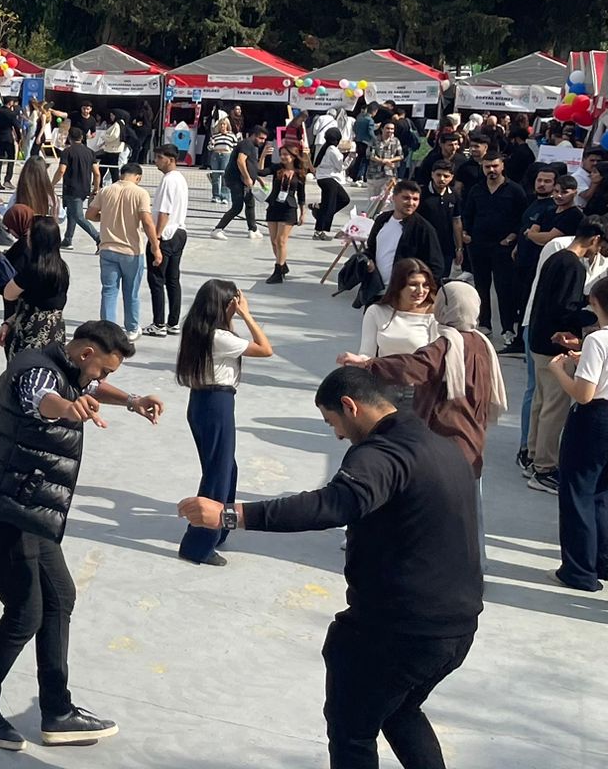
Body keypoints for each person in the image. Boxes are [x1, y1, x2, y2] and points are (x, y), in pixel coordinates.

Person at [178, 366, 479, 769]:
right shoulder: (441, 447)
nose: (336, 434)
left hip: (399, 631)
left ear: (350, 406)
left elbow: (334, 504)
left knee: (351, 730)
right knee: (399, 710)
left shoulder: (381, 454)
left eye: (332, 421)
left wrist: (231, 515)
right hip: (456, 628)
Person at [0, 321, 158, 752]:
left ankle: (57, 710)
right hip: (1, 512)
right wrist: (68, 410)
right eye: (104, 371)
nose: (102, 381)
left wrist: (131, 401)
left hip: (28, 510)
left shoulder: (68, 367)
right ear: (86, 353)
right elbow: (41, 399)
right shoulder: (37, 371)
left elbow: (81, 388)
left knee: (61, 596)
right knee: (24, 613)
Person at [340, 282, 504, 523]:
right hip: (473, 437)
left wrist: (367, 364)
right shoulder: (480, 343)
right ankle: (473, 559)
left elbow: (413, 366)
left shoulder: (446, 345)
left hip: (446, 437)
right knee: (468, 511)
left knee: (440, 512)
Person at [174, 281, 273, 566]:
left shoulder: (198, 328)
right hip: (216, 402)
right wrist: (247, 315)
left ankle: (219, 529)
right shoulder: (219, 336)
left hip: (204, 402)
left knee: (225, 467)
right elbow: (266, 349)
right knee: (218, 473)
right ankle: (199, 542)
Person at [519, 218, 605, 493]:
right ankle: (544, 469)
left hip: (538, 337)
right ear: (594, 239)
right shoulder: (573, 265)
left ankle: (532, 455)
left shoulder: (556, 257)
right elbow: (564, 308)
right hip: (555, 342)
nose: (599, 252)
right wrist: (592, 313)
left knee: (541, 402)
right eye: (600, 245)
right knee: (554, 409)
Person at [542, 280, 608, 589]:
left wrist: (559, 371)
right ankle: (602, 561)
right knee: (602, 494)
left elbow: (584, 394)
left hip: (594, 419)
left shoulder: (598, 340)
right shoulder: (594, 344)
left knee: (577, 492)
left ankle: (579, 571)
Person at [460, 151, 529, 340]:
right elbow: (467, 214)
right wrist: (465, 234)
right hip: (478, 245)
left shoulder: (514, 190)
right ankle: (484, 324)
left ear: (502, 166)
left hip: (503, 246)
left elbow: (522, 217)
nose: (491, 170)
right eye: (487, 166)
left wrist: (513, 236)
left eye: (495, 166)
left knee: (504, 288)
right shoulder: (476, 190)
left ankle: (508, 328)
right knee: (481, 287)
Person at [87, 162, 157, 339]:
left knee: (109, 291)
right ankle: (132, 328)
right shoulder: (140, 193)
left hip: (107, 248)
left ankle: (108, 330)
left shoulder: (106, 190)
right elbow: (147, 222)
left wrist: (106, 217)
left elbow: (90, 215)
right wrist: (156, 247)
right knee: (131, 291)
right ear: (138, 177)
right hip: (131, 251)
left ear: (121, 174)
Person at [1, 216, 70, 358]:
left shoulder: (32, 270)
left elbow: (8, 293)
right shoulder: (62, 268)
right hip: (55, 330)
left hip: (31, 330)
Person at [366, 181, 446, 290]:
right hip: (376, 289)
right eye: (406, 198)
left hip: (404, 293)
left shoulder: (424, 229)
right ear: (394, 197)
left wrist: (419, 289)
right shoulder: (382, 220)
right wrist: (367, 262)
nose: (411, 203)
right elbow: (371, 248)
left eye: (415, 199)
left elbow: (436, 266)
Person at [146, 145, 190, 337]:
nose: (156, 161)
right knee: (173, 279)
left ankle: (159, 323)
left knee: (156, 279)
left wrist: (156, 237)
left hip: (166, 234)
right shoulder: (181, 179)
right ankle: (173, 322)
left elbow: (164, 211)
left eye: (159, 157)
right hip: (180, 232)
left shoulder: (168, 180)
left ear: (170, 159)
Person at [213, 125, 268, 239]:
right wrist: (247, 177)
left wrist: (258, 179)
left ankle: (253, 229)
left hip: (245, 181)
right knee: (237, 206)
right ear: (254, 136)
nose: (262, 141)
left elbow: (251, 166)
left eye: (264, 139)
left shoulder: (253, 147)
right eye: (261, 138)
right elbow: (241, 161)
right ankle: (218, 229)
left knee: (250, 203)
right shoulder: (246, 144)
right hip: (236, 180)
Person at [262, 150, 307, 284]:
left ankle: (278, 272)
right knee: (274, 241)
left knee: (281, 240)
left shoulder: (300, 174)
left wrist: (303, 213)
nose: (283, 157)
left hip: (289, 208)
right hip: (274, 206)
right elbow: (261, 172)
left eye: (286, 154)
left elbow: (302, 196)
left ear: (293, 157)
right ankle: (283, 264)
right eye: (281, 154)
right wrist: (263, 155)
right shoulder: (277, 168)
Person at [55, 128, 101, 249]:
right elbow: (96, 173)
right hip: (84, 188)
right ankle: (68, 239)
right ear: (81, 138)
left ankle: (98, 238)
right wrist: (95, 188)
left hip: (71, 188)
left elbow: (61, 170)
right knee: (71, 213)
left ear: (69, 138)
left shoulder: (67, 152)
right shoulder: (90, 152)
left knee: (78, 216)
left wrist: (51, 183)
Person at [313, 129, 352, 237]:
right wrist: (350, 157)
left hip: (324, 178)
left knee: (343, 199)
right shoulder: (333, 150)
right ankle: (320, 230)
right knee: (329, 205)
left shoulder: (326, 148)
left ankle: (319, 209)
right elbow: (341, 167)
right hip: (329, 179)